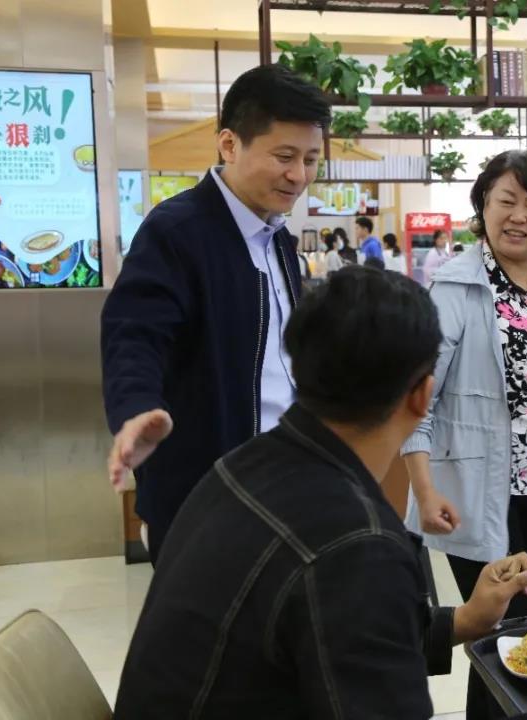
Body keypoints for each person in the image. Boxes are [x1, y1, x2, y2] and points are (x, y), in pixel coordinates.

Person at [112, 267, 527, 720]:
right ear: (423, 395)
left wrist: (462, 621)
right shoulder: (356, 544)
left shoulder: (240, 467)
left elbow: (332, 634)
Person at [402, 150, 527, 720]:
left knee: (518, 632)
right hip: (477, 488)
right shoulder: (456, 288)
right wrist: (424, 490)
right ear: (483, 208)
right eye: (506, 201)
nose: (518, 216)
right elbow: (417, 403)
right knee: (501, 629)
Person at [101, 64, 329, 565]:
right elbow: (135, 335)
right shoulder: (177, 232)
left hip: (283, 487)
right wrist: (136, 407)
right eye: (284, 156)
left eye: (311, 159)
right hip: (205, 497)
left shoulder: (279, 242)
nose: (299, 175)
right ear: (229, 144)